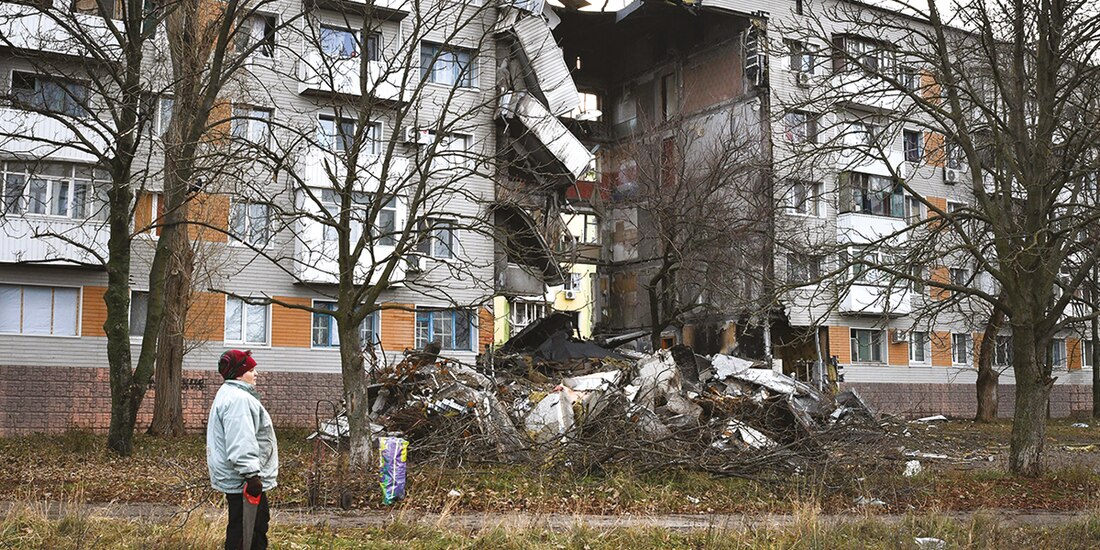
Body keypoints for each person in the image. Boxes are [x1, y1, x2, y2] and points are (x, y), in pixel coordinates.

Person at [207, 349, 279, 550]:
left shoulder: (229, 394)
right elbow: (241, 440)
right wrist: (252, 475)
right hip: (246, 481)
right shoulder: (239, 399)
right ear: (238, 373)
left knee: (243, 529)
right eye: (251, 369)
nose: (255, 374)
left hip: (242, 478)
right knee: (249, 534)